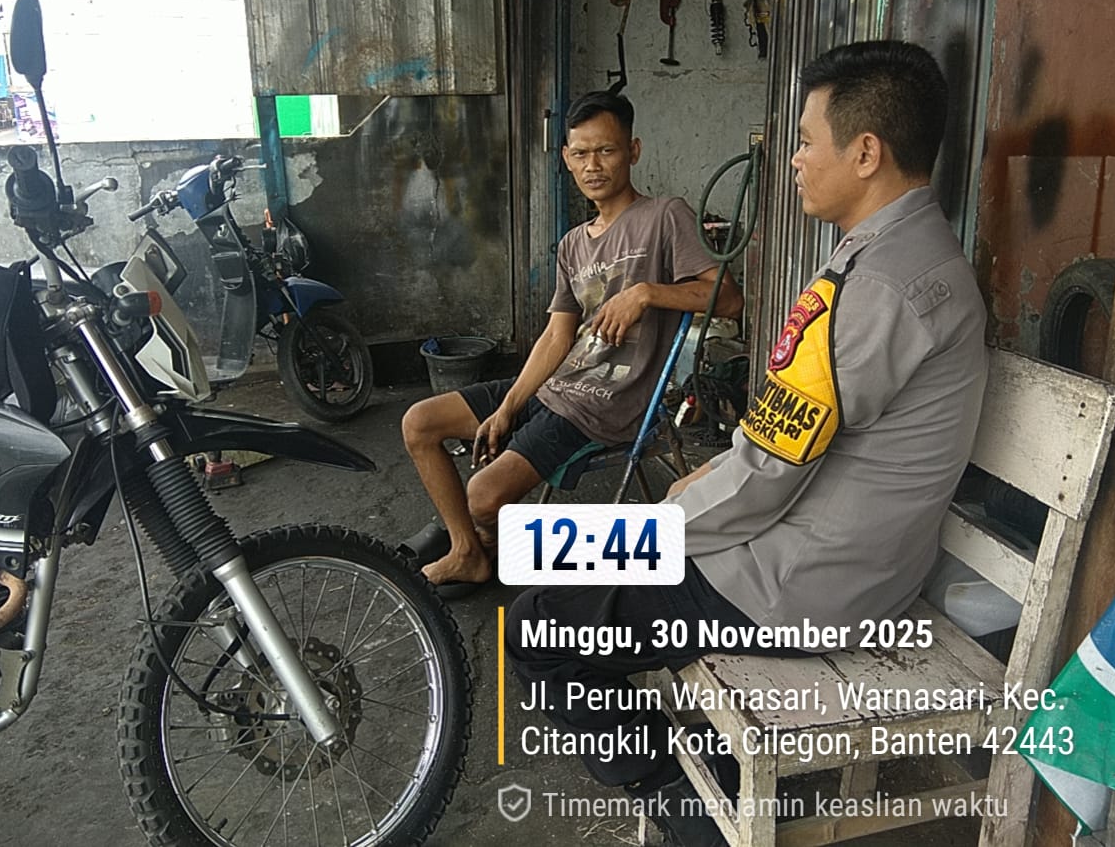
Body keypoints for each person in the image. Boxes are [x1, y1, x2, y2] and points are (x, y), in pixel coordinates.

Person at [505, 41, 987, 845]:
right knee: (545, 551)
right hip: (825, 553)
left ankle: (700, 814)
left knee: (536, 625)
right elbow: (780, 444)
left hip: (799, 583)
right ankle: (705, 775)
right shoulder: (896, 253)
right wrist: (685, 497)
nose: (793, 160)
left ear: (866, 152)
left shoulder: (882, 286)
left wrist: (657, 526)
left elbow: (767, 477)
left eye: (805, 140)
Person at [401, 91, 743, 596]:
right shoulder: (573, 244)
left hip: (606, 405)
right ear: (566, 157)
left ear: (633, 151)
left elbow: (729, 299)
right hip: (557, 388)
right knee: (420, 423)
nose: (593, 165)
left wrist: (646, 293)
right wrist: (508, 407)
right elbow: (558, 335)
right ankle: (468, 551)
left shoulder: (664, 216)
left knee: (483, 496)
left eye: (606, 151)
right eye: (581, 153)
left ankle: (515, 547)